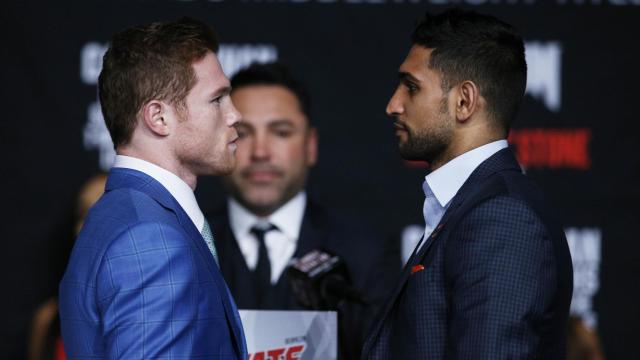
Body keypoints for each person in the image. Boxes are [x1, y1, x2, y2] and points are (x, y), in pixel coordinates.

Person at [362, 9, 573, 359]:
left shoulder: (502, 219)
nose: (392, 105)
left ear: (464, 101)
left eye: (411, 87)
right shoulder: (470, 206)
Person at [58, 18, 247, 359]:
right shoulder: (151, 240)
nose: (236, 115)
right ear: (158, 118)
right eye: (217, 100)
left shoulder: (121, 215)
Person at [206, 62, 400, 359]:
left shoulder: (365, 252)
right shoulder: (186, 244)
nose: (260, 152)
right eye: (242, 133)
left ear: (310, 145)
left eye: (281, 132)